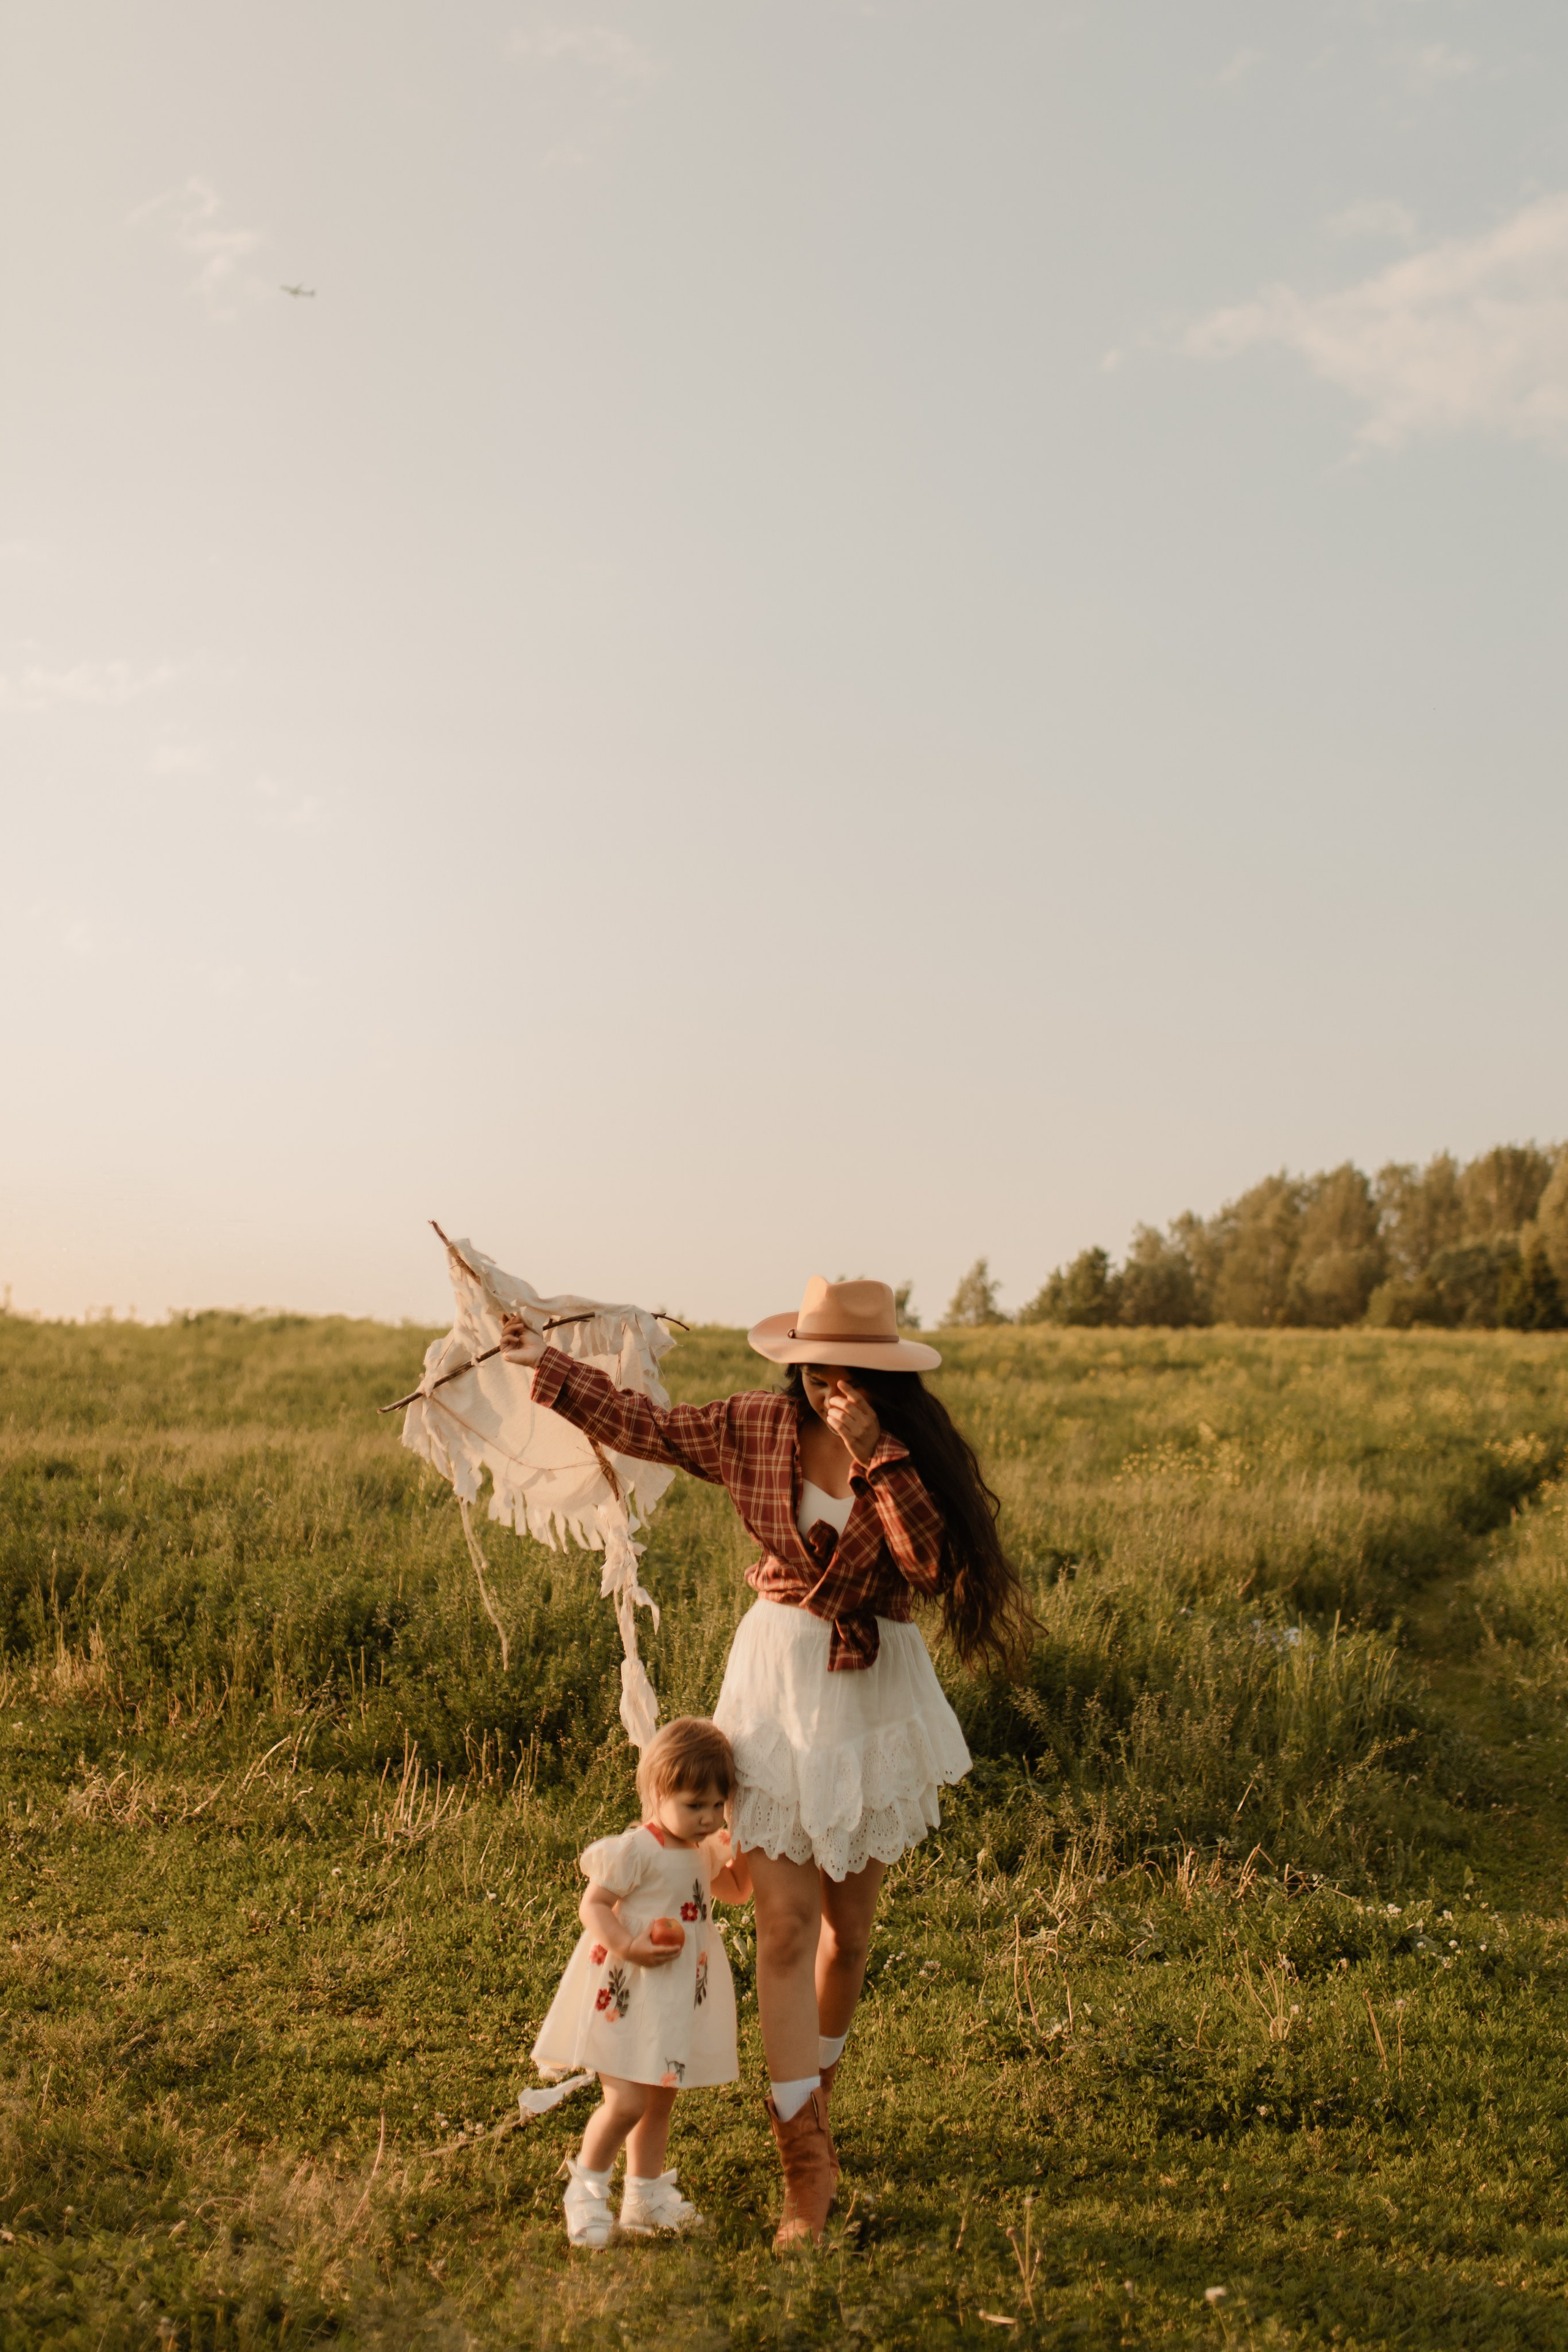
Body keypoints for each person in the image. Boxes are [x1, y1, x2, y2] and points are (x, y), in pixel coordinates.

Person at [503, 1275, 1031, 2248]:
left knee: (851, 1934)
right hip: (779, 1682)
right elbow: (648, 1427)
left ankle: (813, 2098)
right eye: (821, 1364)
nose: (835, 1381)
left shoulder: (909, 1451)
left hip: (870, 1693)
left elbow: (928, 1567)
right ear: (798, 1360)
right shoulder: (756, 1426)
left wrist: (879, 1456)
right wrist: (551, 1369)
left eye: (858, 1367)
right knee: (784, 1931)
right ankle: (806, 2169)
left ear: (883, 1372)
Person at [533, 1714, 752, 2248]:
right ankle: (585, 2188)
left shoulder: (704, 1850)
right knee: (627, 2101)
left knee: (659, 2099)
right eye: (694, 1805)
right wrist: (628, 1943)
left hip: (675, 1995)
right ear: (658, 1794)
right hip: (629, 1992)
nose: (707, 1818)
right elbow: (595, 1905)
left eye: (717, 1805)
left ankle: (644, 2195)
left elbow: (737, 1892)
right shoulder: (638, 1849)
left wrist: (748, 1841)